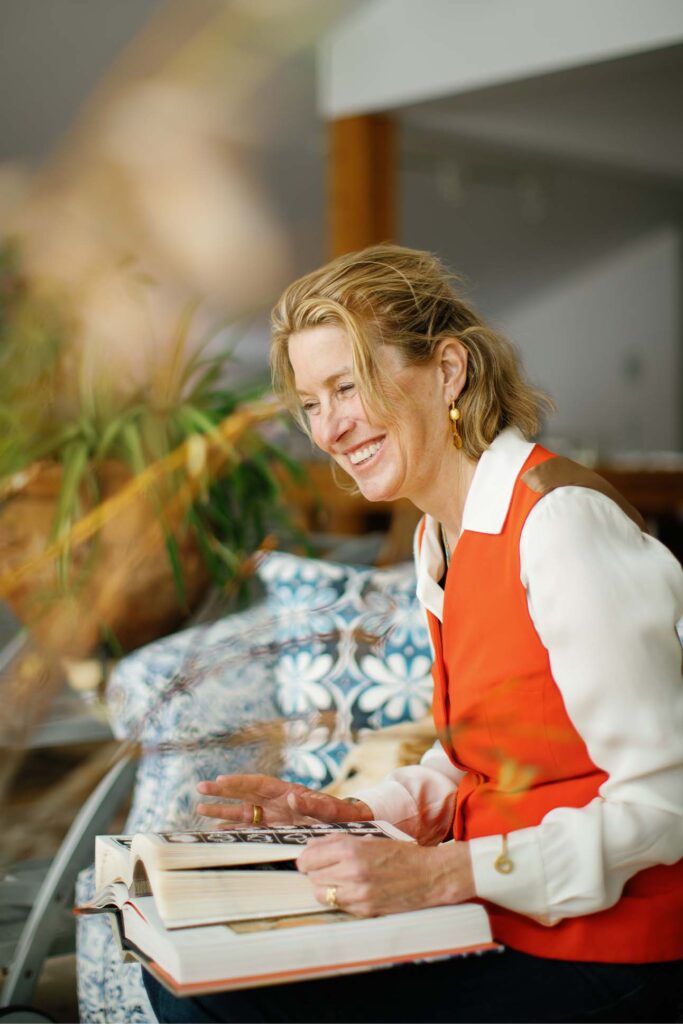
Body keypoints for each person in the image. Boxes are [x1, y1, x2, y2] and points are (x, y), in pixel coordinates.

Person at [144, 244, 683, 1022]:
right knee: (191, 980)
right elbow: (479, 761)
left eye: (348, 386)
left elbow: (666, 798)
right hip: (502, 913)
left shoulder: (557, 525)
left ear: (449, 370)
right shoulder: (442, 534)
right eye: (312, 402)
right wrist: (349, 813)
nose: (329, 427)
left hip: (609, 947)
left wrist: (441, 877)